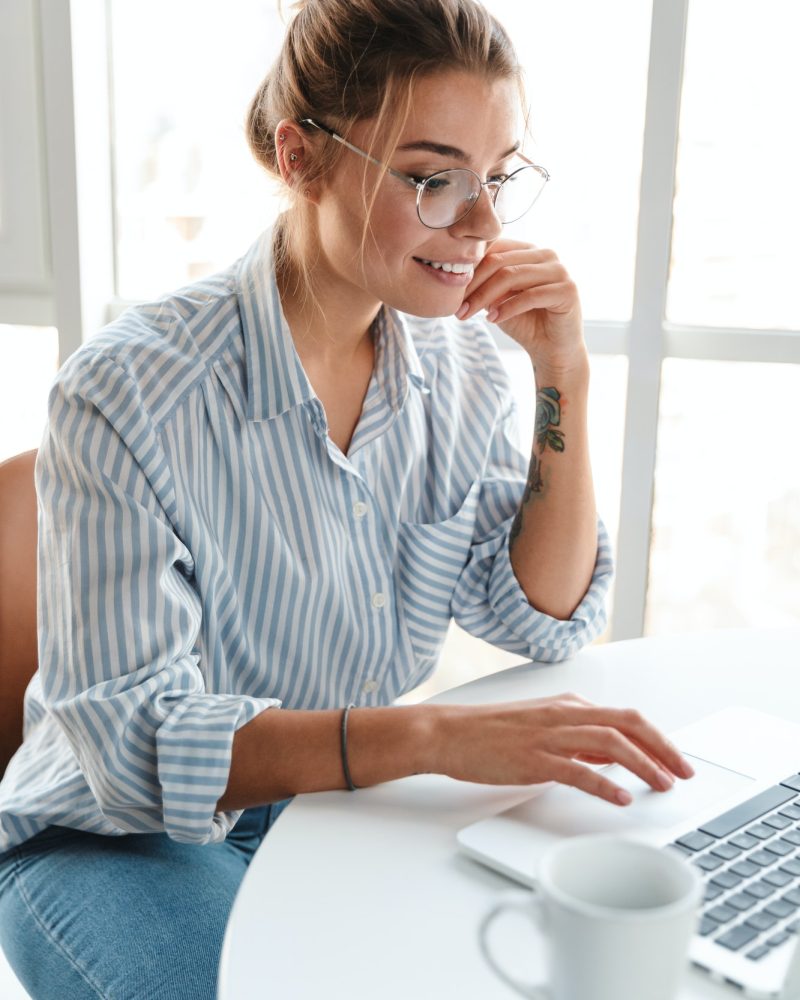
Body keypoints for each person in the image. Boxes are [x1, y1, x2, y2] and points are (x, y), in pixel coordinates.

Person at [0, 1, 694, 997]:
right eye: (430, 177)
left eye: (495, 177)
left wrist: (562, 376)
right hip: (113, 839)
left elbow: (537, 616)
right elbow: (127, 745)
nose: (482, 222)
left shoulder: (458, 366)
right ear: (299, 157)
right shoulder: (130, 392)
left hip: (333, 802)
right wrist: (432, 738)